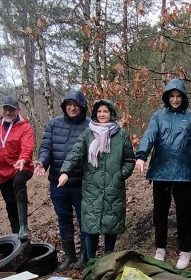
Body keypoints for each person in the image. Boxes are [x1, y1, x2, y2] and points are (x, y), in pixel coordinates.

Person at [135, 78, 191, 270]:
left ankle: (185, 250)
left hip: (183, 173)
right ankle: (160, 247)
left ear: (183, 97)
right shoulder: (158, 116)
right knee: (160, 213)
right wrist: (141, 155)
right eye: (172, 96)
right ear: (167, 97)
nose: (175, 99)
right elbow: (150, 135)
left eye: (178, 96)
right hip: (161, 172)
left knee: (184, 213)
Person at [57, 99, 136, 259]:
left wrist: (120, 175)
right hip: (92, 187)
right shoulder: (88, 133)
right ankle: (91, 260)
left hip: (114, 186)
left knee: (111, 225)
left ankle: (108, 259)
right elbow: (76, 153)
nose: (102, 114)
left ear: (111, 113)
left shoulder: (121, 135)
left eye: (105, 111)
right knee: (90, 225)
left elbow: (129, 160)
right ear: (95, 114)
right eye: (99, 111)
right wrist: (65, 171)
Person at [34, 87, 90, 270]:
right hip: (57, 181)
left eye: (76, 105)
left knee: (84, 219)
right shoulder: (54, 124)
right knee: (63, 218)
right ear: (64, 106)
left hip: (81, 182)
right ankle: (69, 256)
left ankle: (85, 255)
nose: (72, 108)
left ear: (82, 107)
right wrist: (42, 162)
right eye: (69, 105)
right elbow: (45, 148)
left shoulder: (90, 125)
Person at [0, 95, 35, 240]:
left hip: (21, 167)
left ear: (17, 110)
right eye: (5, 108)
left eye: (11, 109)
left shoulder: (25, 127)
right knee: (9, 203)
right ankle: (17, 237)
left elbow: (27, 147)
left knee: (19, 182)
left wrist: (23, 159)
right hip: (1, 173)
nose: (8, 112)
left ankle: (24, 226)